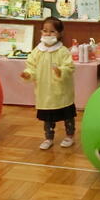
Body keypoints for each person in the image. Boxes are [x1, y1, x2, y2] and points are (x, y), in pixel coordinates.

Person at [20, 16, 76, 149]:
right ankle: (48, 138)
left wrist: (60, 71)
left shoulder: (62, 51)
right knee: (48, 117)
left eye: (52, 31)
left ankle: (69, 136)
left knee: (67, 114)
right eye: (45, 31)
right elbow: (31, 67)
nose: (48, 34)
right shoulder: (37, 51)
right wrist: (28, 74)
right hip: (44, 91)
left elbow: (69, 67)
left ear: (60, 33)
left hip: (61, 92)